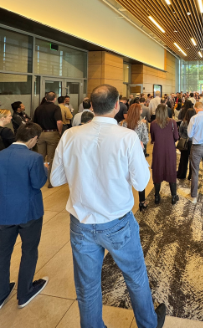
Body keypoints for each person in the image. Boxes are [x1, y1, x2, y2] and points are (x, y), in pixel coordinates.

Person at [50, 85, 167, 327]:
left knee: (87, 287)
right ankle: (148, 323)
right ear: (117, 106)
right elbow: (142, 181)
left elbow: (56, 180)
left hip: (81, 223)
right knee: (135, 277)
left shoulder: (70, 136)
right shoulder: (127, 137)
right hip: (117, 223)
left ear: (91, 106)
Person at [0, 123, 49, 309]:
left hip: (3, 213)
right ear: (34, 139)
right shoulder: (34, 158)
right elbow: (37, 183)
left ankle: (1, 292)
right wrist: (44, 168)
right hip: (29, 213)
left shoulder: (1, 155)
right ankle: (25, 292)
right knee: (29, 251)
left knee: (3, 253)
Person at [121, 103, 151, 209]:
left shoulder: (124, 123)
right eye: (140, 110)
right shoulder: (141, 124)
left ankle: (126, 201)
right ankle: (142, 201)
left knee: (126, 175)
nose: (142, 111)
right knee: (139, 174)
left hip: (126, 152)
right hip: (138, 152)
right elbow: (146, 139)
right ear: (137, 112)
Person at [149, 105, 180, 205]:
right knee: (170, 169)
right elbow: (176, 136)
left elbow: (153, 138)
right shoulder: (172, 122)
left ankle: (157, 196)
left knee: (158, 171)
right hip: (170, 149)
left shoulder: (153, 124)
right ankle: (174, 196)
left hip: (158, 150)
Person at [31, 92, 63, 171]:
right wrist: (59, 132)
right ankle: (50, 180)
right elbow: (59, 122)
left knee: (40, 156)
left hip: (40, 134)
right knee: (51, 158)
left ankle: (40, 176)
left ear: (45, 98)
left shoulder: (38, 108)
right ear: (55, 99)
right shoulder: (56, 108)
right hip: (52, 133)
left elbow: (34, 123)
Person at [176, 105, 195, 180]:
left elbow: (180, 132)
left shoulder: (183, 122)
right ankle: (191, 176)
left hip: (184, 143)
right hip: (193, 143)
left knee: (183, 159)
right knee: (192, 160)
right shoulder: (195, 123)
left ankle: (181, 174)